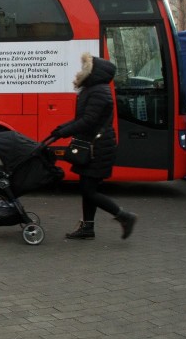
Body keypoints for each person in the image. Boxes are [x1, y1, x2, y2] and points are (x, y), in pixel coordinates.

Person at [52, 52, 137, 240]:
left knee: (88, 190)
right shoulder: (94, 90)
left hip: (97, 147)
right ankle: (88, 228)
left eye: (85, 68)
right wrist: (61, 129)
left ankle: (124, 216)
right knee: (87, 188)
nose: (81, 71)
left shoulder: (98, 91)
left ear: (94, 72)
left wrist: (64, 132)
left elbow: (88, 121)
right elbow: (81, 119)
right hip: (93, 146)